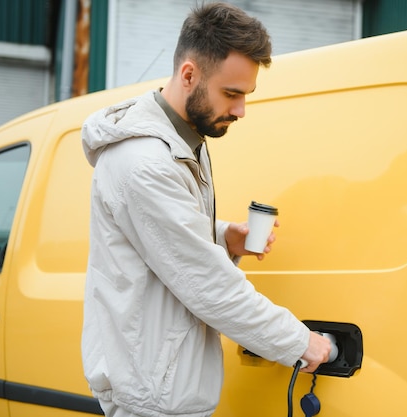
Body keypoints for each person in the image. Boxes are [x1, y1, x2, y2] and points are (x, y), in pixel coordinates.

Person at [80, 3, 332, 417]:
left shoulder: (182, 140)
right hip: (153, 400)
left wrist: (220, 235)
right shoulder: (145, 162)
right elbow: (209, 284)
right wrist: (299, 342)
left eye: (245, 95)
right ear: (189, 75)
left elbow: (159, 239)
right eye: (231, 94)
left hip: (164, 388)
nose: (240, 110)